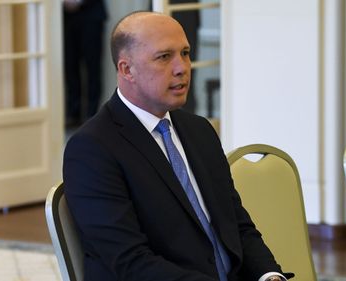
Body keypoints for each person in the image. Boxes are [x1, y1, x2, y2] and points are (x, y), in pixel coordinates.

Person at [63, 11, 294, 281]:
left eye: (185, 53)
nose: (182, 67)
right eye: (164, 57)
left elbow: (238, 225)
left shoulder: (199, 130)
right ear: (127, 70)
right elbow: (131, 262)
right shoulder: (93, 148)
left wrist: (269, 276)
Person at [63, 0, 108, 127]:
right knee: (69, 66)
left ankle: (92, 115)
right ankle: (73, 113)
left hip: (92, 14)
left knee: (93, 67)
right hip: (65, 17)